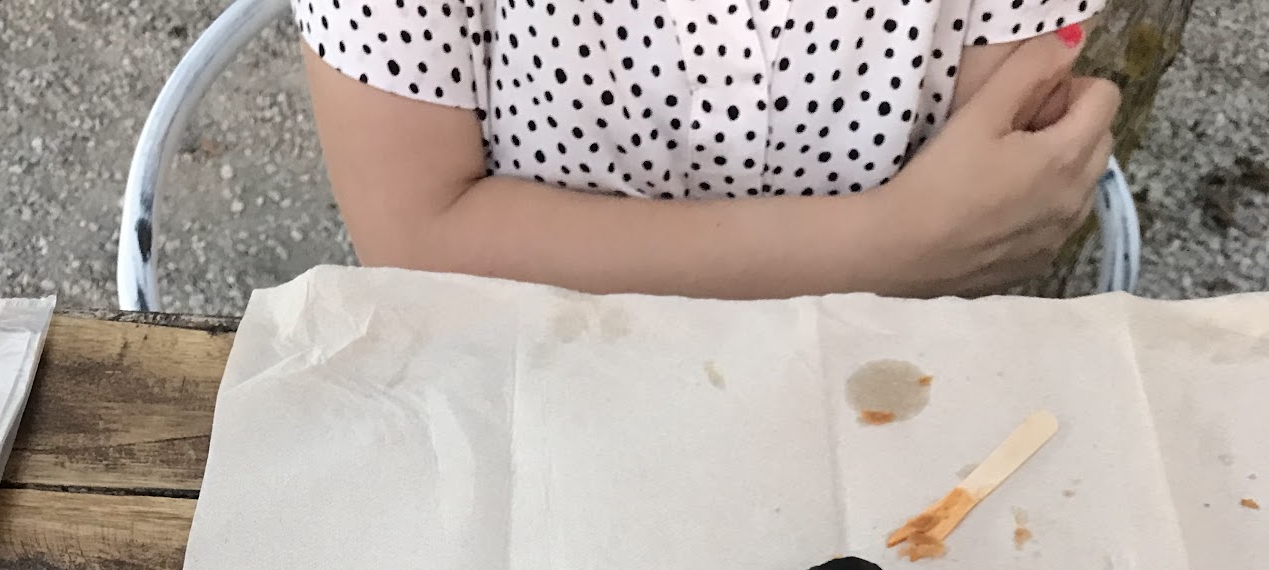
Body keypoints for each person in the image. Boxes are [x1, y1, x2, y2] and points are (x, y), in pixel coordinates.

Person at [292, 0, 1121, 298]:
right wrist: (889, 246)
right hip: (521, 413)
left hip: (886, 414)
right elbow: (414, 242)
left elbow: (1000, 211)